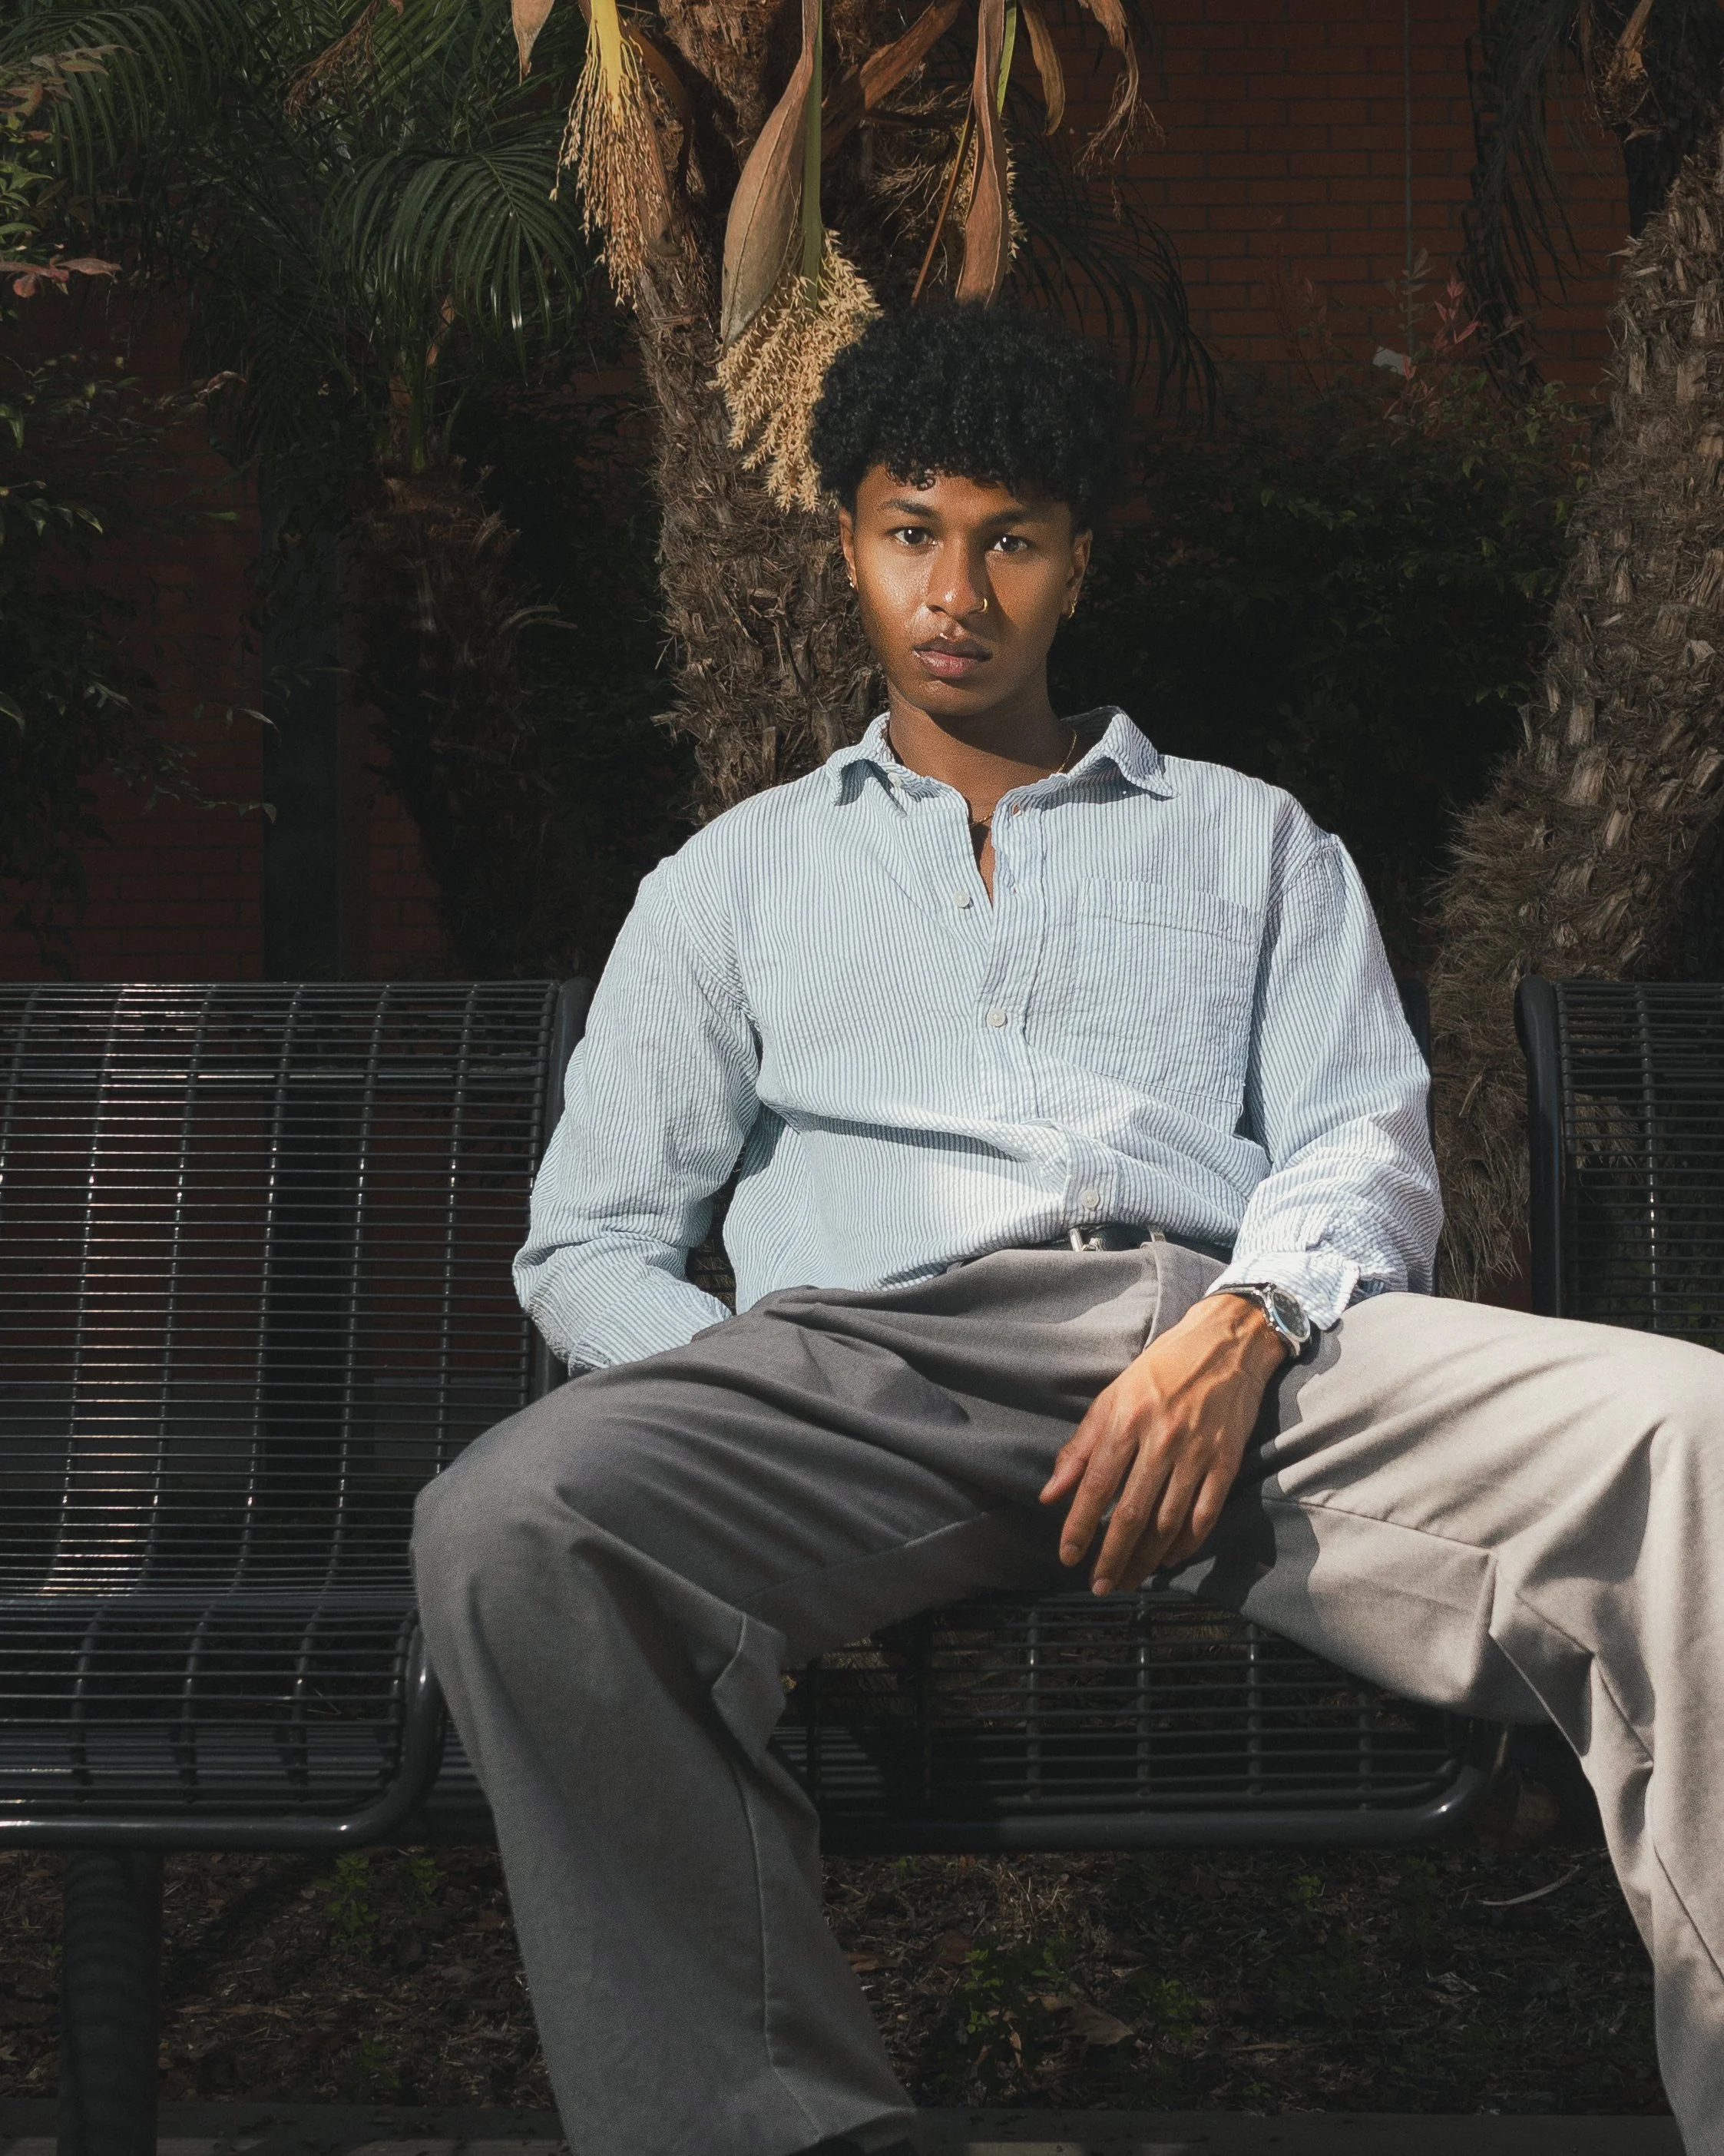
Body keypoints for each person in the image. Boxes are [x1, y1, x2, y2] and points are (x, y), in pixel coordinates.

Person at [412, 306, 1724, 2156]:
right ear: (848, 542)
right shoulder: (736, 877)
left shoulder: (1251, 840)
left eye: (1009, 536)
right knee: (505, 1520)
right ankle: (777, 2126)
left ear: (1078, 558)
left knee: (1696, 1437)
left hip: (1227, 1351)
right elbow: (592, 1235)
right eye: (908, 529)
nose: (955, 589)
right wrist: (754, 1404)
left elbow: (1361, 1136)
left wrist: (1250, 1322)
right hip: (857, 1368)